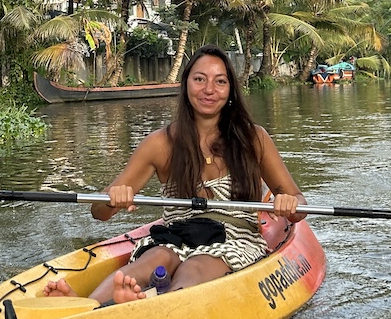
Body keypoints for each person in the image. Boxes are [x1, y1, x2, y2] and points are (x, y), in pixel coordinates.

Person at [43, 46, 306, 305]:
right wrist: (113, 199)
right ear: (186, 85)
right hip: (175, 236)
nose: (209, 90)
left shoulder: (254, 138)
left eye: (220, 81)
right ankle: (86, 306)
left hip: (234, 240)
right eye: (199, 79)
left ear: (230, 91)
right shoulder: (160, 143)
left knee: (196, 266)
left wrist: (290, 205)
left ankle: (159, 304)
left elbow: (298, 202)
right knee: (156, 258)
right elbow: (98, 211)